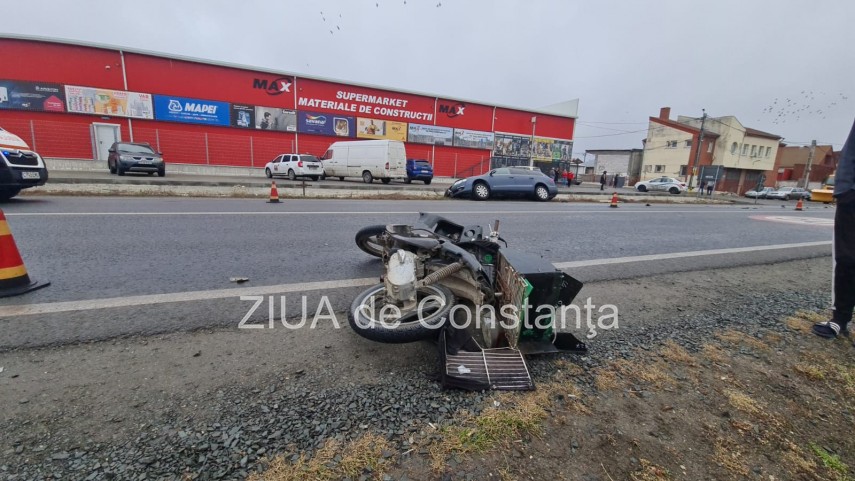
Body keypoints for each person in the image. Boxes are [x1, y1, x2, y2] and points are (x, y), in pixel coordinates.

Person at [813, 118, 855, 345]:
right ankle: (840, 318)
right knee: (847, 259)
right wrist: (845, 189)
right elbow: (851, 149)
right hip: (853, 197)